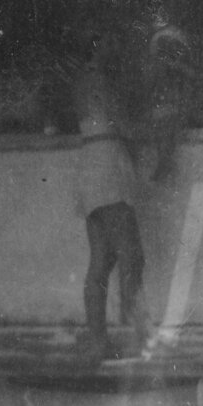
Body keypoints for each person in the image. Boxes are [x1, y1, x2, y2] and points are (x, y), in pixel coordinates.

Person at [69, 29, 150, 363]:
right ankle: (140, 339)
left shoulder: (82, 80)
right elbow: (123, 123)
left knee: (101, 260)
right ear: (97, 44)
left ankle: (99, 341)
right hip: (105, 163)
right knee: (132, 255)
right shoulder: (99, 79)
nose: (115, 46)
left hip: (92, 162)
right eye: (110, 40)